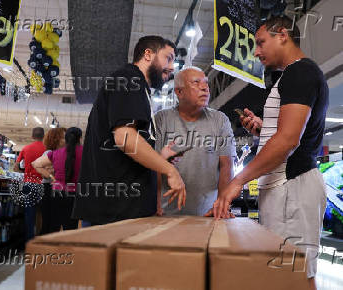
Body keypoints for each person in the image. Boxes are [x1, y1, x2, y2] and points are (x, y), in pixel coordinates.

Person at [211, 16, 329, 289]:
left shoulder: (301, 72)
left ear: (283, 35)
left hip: (293, 188)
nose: (256, 51)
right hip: (285, 189)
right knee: (284, 272)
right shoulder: (291, 76)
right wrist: (263, 130)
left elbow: (288, 140)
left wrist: (237, 181)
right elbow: (290, 134)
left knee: (294, 274)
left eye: (261, 42)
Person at [73, 35, 186, 226]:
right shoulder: (129, 78)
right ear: (148, 54)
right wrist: (170, 171)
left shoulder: (139, 87)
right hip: (114, 213)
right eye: (168, 58)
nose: (172, 67)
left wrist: (160, 156)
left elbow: (129, 142)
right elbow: (125, 138)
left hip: (123, 210)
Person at [155, 66, 235, 216]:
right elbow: (153, 165)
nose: (205, 88)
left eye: (205, 83)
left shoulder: (220, 120)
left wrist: (221, 205)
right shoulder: (162, 119)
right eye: (196, 82)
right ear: (179, 92)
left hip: (209, 215)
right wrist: (156, 205)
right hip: (166, 214)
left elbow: (226, 165)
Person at [32, 127, 83, 232]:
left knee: (53, 225)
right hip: (76, 193)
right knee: (71, 228)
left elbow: (35, 164)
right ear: (80, 138)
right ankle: (67, 248)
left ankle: (50, 247)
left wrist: (52, 177)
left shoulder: (56, 153)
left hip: (57, 193)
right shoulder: (86, 152)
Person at [14, 127, 46, 241]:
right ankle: (40, 239)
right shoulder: (47, 149)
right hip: (42, 184)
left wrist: (22, 175)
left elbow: (16, 166)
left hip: (28, 184)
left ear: (32, 136)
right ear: (43, 136)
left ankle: (29, 242)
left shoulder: (26, 148)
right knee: (42, 214)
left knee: (29, 215)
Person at [39, 127, 66, 234]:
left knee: (55, 223)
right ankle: (44, 249)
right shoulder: (49, 153)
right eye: (64, 137)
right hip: (49, 190)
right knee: (50, 223)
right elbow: (46, 174)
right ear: (56, 139)